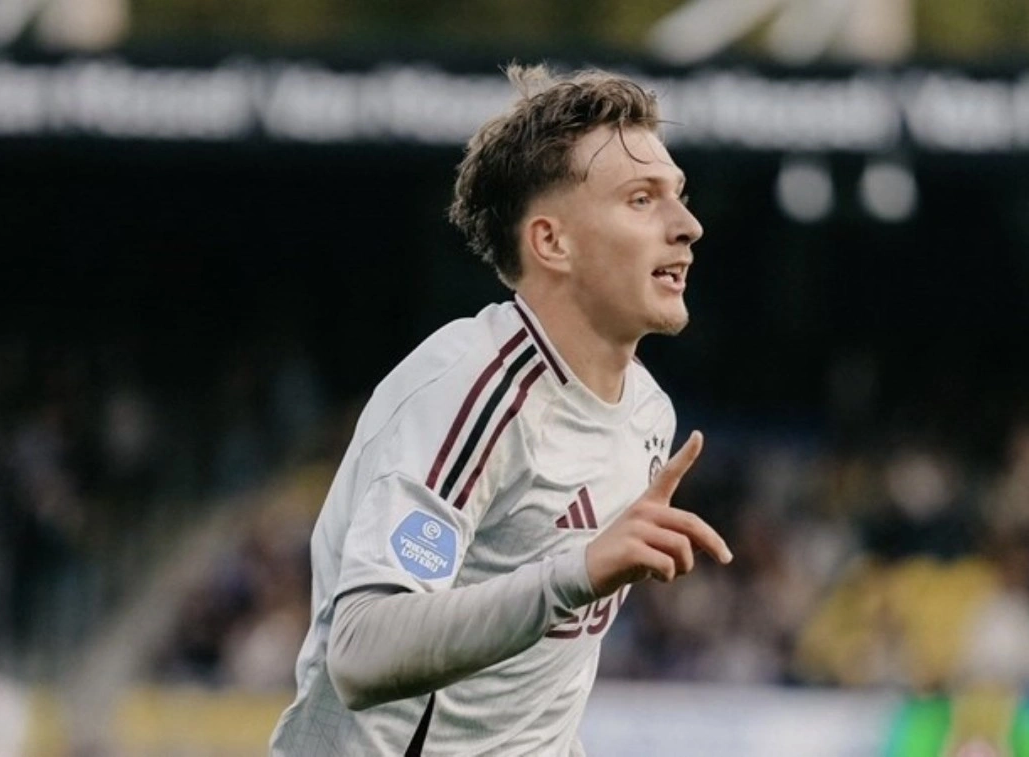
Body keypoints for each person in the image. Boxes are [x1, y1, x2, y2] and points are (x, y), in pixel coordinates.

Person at [270, 63, 733, 756]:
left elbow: (542, 686)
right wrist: (576, 573)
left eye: (680, 196)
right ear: (552, 242)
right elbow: (361, 651)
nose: (688, 225)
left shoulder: (647, 413)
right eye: (642, 199)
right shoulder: (470, 389)